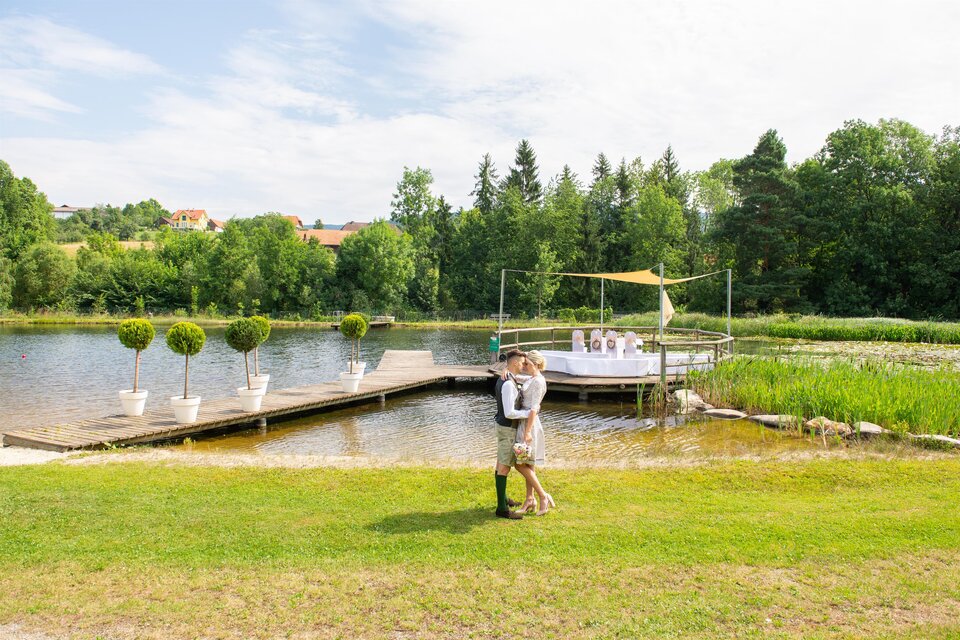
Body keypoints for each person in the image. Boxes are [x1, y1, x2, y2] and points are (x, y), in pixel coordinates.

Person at [513, 350, 554, 516]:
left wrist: (527, 432)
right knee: (528, 463)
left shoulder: (538, 382)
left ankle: (543, 496)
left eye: (527, 364)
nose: (524, 366)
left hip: (529, 424)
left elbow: (534, 408)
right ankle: (530, 500)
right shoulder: (532, 378)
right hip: (524, 421)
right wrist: (507, 371)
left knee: (519, 463)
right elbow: (516, 378)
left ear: (536, 365)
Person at [493, 349, 532, 520]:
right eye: (523, 362)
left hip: (503, 426)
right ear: (515, 363)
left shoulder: (509, 378)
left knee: (500, 463)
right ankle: (502, 508)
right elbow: (509, 412)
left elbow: (532, 379)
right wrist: (528, 414)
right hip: (507, 427)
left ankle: (504, 499)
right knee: (504, 466)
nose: (524, 365)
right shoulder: (508, 384)